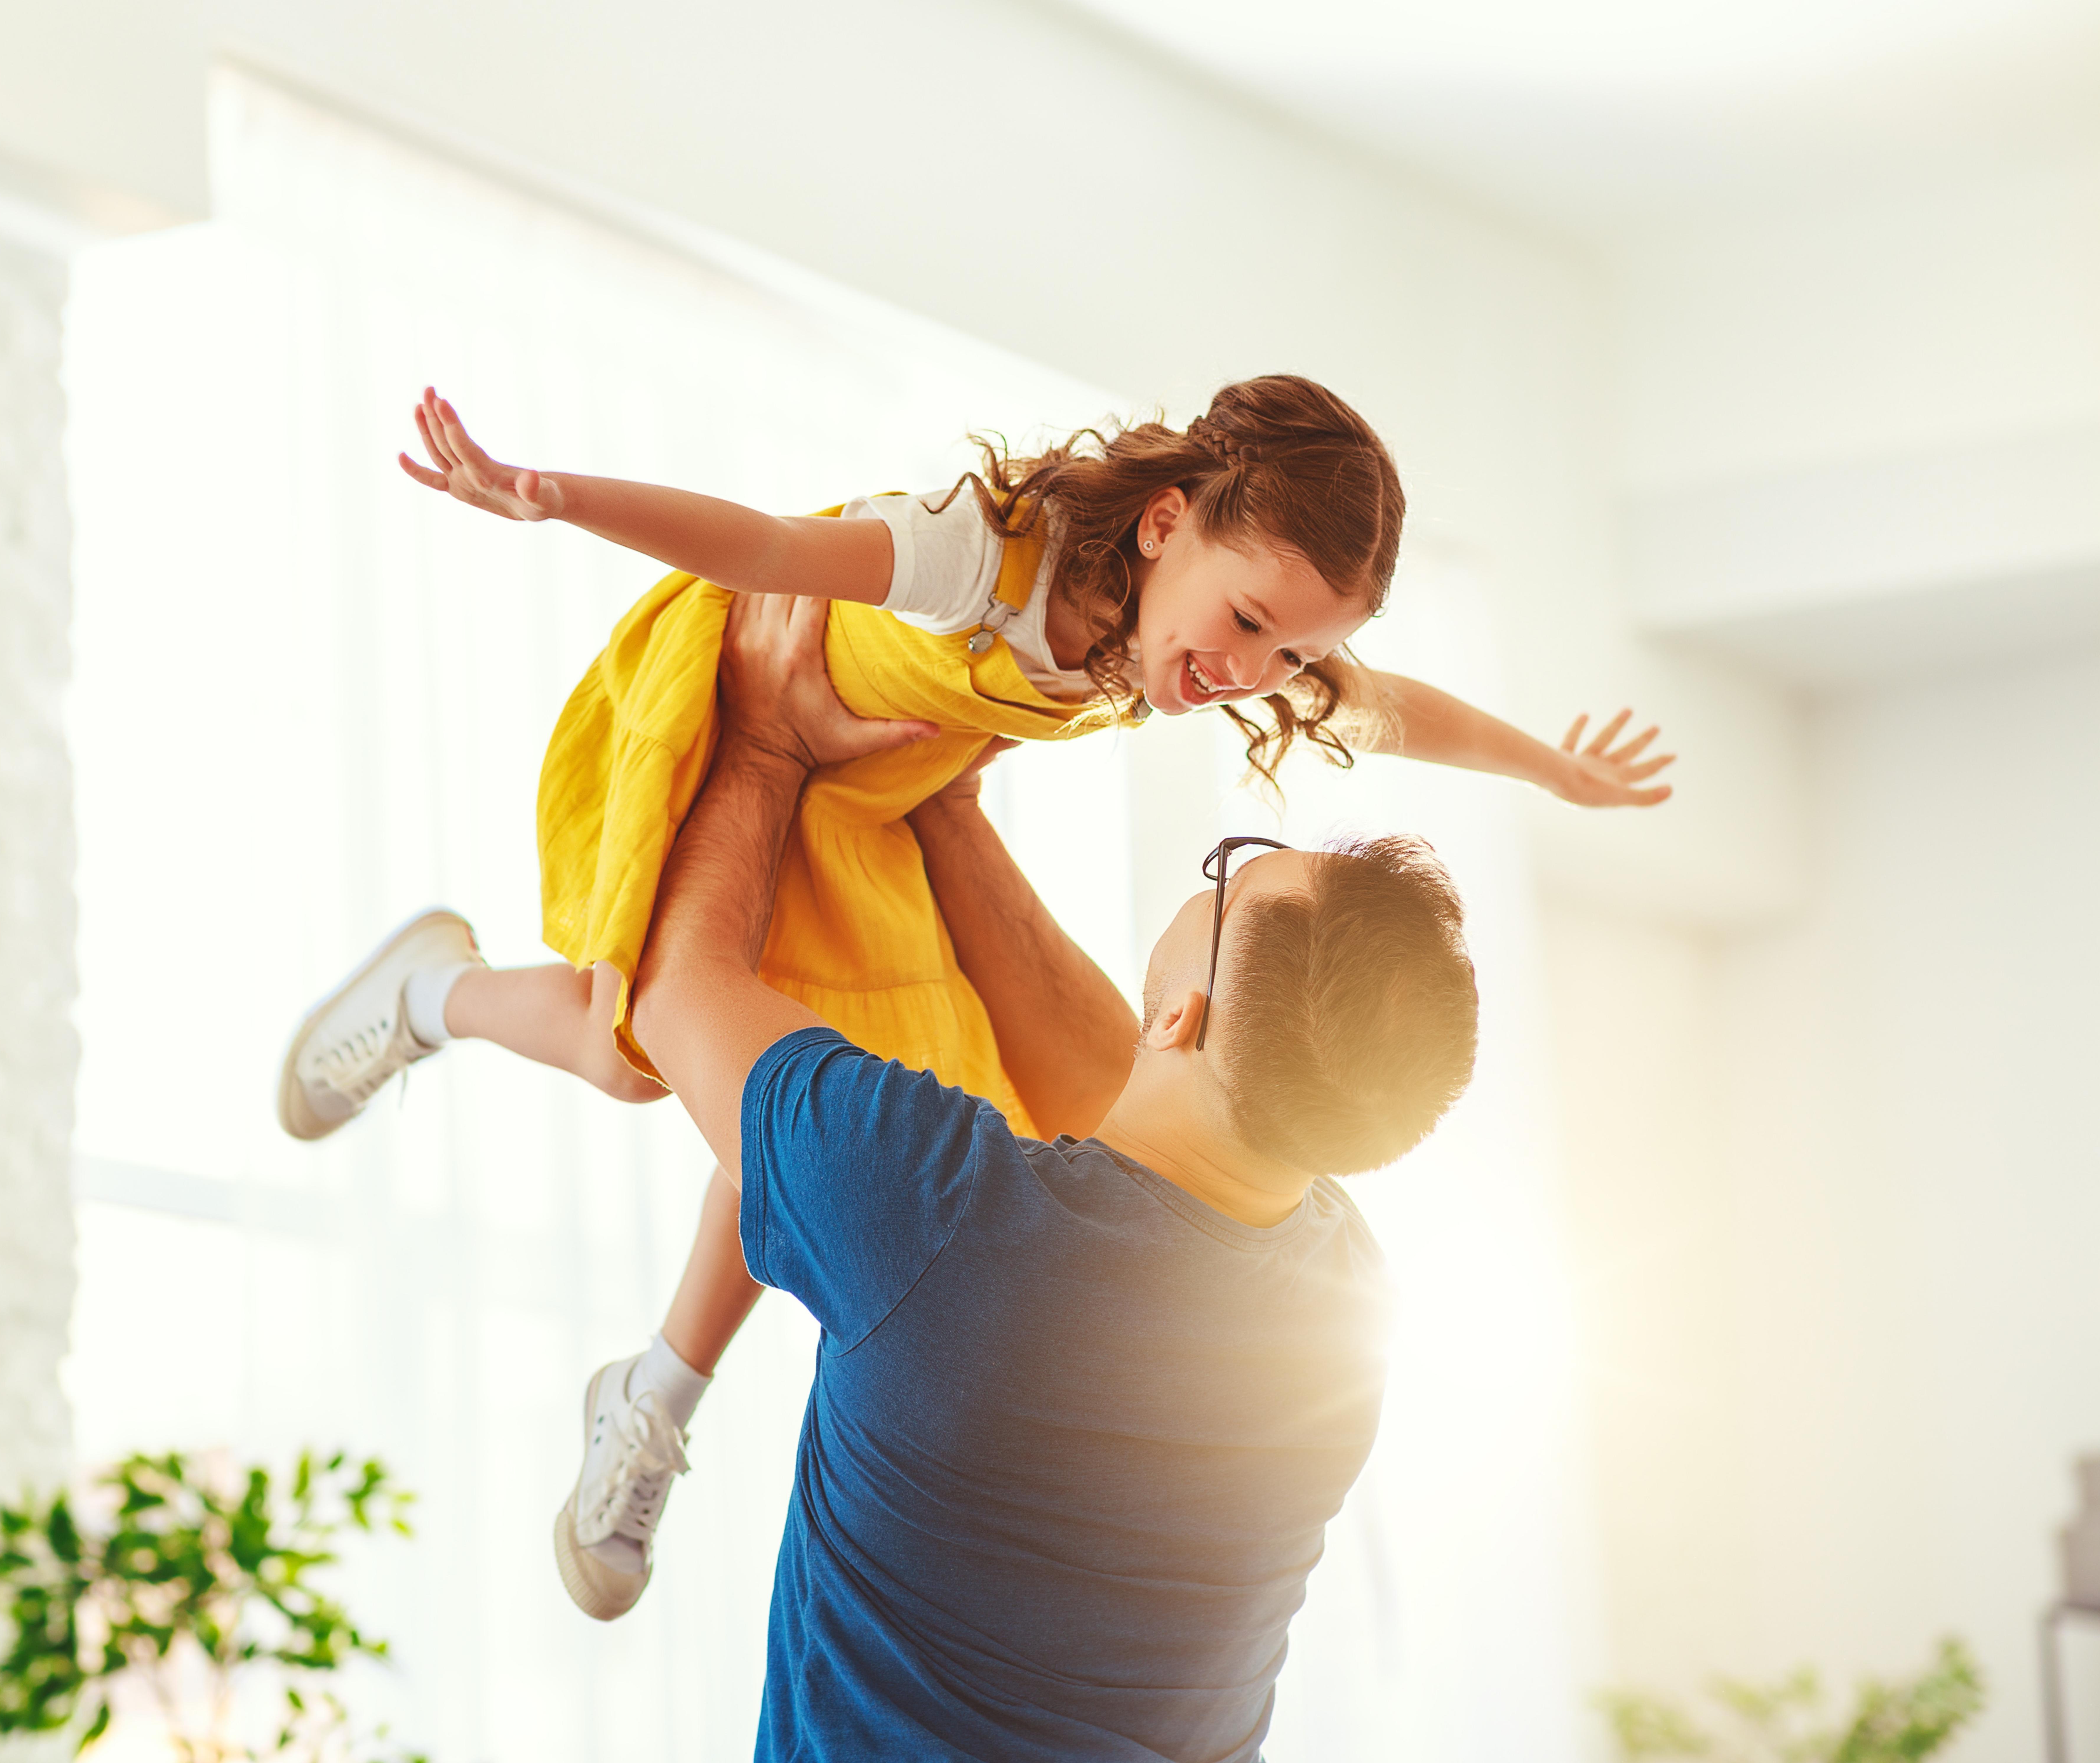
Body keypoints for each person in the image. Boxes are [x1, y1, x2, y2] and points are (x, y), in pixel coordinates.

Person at [276, 376, 1663, 1618]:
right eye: (1248, 623)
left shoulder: (1210, 645)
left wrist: (1551, 769)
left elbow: (1391, 710)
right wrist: (549, 498)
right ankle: (430, 995)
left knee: (805, 1095)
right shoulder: (993, 555)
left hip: (868, 788)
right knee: (628, 1047)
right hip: (746, 696)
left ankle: (654, 1395)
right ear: (1166, 521)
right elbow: (767, 550)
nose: (1253, 675)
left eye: (1291, 655)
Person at [631, 591, 1478, 1758]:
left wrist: (771, 743)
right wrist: (949, 809)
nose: (1217, 873)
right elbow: (1120, 1091)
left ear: (1181, 1009)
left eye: (1238, 873)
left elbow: (679, 993)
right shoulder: (1338, 1306)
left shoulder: (937, 1217)